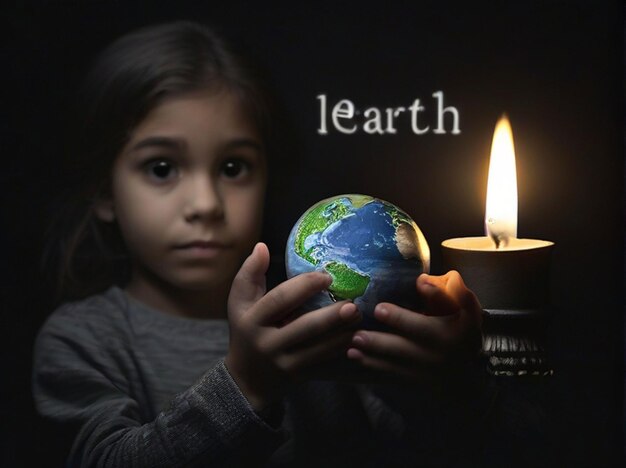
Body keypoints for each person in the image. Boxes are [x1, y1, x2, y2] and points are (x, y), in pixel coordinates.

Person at [32, 21, 484, 467]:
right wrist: (245, 386)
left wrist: (456, 384)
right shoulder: (81, 342)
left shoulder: (329, 322)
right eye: (161, 168)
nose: (206, 204)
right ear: (104, 192)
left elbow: (431, 450)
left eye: (233, 168)